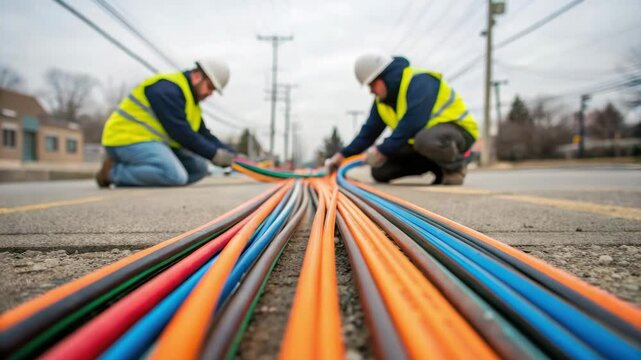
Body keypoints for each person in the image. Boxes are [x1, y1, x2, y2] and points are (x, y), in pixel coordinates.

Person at [327, 54, 478, 185]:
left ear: (383, 76)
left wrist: (381, 150)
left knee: (424, 140)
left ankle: (455, 166)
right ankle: (438, 167)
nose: (371, 91)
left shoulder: (420, 81)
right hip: (424, 143)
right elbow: (367, 134)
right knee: (380, 171)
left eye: (371, 85)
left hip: (458, 132)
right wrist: (341, 156)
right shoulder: (382, 102)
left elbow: (413, 122)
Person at [95, 58, 236, 187]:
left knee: (198, 169)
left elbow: (204, 134)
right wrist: (214, 154)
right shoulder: (167, 89)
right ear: (198, 76)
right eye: (210, 87)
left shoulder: (192, 103)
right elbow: (180, 132)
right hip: (124, 139)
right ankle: (112, 172)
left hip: (153, 143)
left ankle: (144, 176)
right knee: (174, 176)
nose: (210, 93)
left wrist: (231, 154)